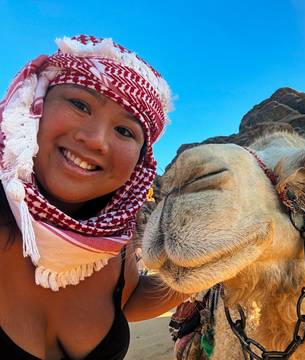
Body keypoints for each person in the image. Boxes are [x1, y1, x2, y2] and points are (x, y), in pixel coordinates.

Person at [0, 35, 188, 359]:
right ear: (35, 104)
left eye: (125, 131)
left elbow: (126, 303)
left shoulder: (113, 247)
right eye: (79, 104)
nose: (96, 140)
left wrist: (201, 271)